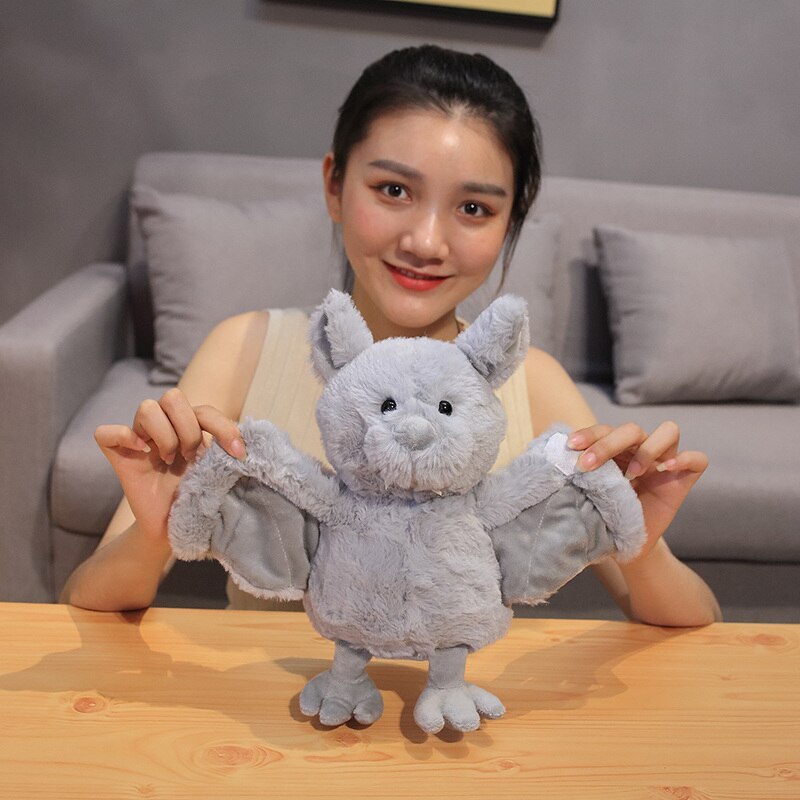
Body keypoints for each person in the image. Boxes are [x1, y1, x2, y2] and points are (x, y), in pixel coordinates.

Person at [60, 45, 721, 626]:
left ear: (510, 221)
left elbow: (696, 618)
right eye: (394, 190)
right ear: (334, 184)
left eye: (473, 208)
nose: (426, 242)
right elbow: (87, 598)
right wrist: (153, 533)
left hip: (463, 715)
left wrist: (641, 547)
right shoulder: (245, 350)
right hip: (273, 716)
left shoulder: (534, 382)